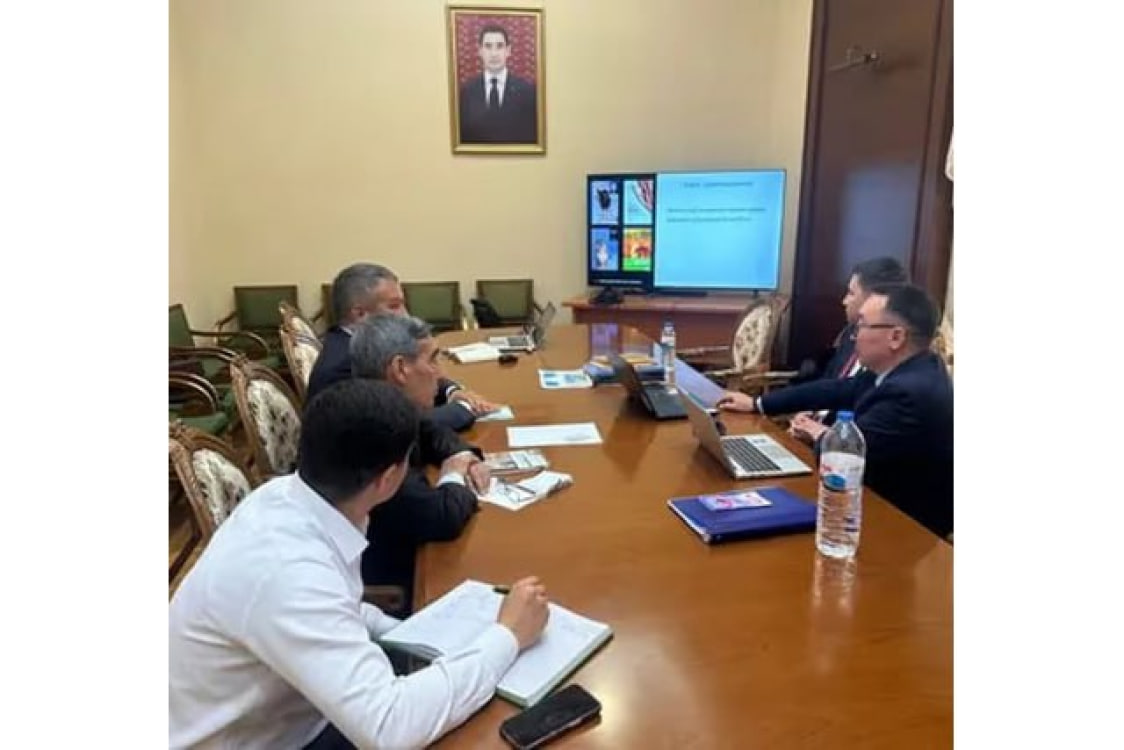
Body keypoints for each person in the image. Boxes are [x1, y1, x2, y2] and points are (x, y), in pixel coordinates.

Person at [169, 379, 550, 750]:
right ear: (389, 478)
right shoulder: (288, 571)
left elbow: (340, 608)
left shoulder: (289, 497)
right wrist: (508, 636)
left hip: (293, 712)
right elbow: (389, 728)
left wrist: (423, 633)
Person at [717, 284, 953, 538]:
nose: (854, 336)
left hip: (901, 530)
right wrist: (758, 404)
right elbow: (837, 389)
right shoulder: (911, 368)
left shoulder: (908, 393)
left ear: (896, 337)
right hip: (866, 503)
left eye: (862, 325)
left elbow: (844, 458)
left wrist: (819, 433)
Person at [349, 313, 490, 616]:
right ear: (400, 369)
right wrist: (453, 474)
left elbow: (432, 432)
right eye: (433, 360)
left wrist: (464, 456)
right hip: (391, 592)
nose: (440, 374)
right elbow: (441, 516)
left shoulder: (383, 405)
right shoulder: (374, 434)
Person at [307, 263, 497, 432]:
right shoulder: (343, 365)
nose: (405, 315)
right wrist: (465, 409)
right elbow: (395, 426)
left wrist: (451, 392)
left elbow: (415, 376)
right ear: (360, 314)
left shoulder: (358, 343)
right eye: (394, 306)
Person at [458, 24, 538, 144]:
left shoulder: (528, 92)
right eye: (488, 46)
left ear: (508, 51)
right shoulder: (466, 92)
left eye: (499, 46)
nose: (494, 53)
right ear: (480, 51)